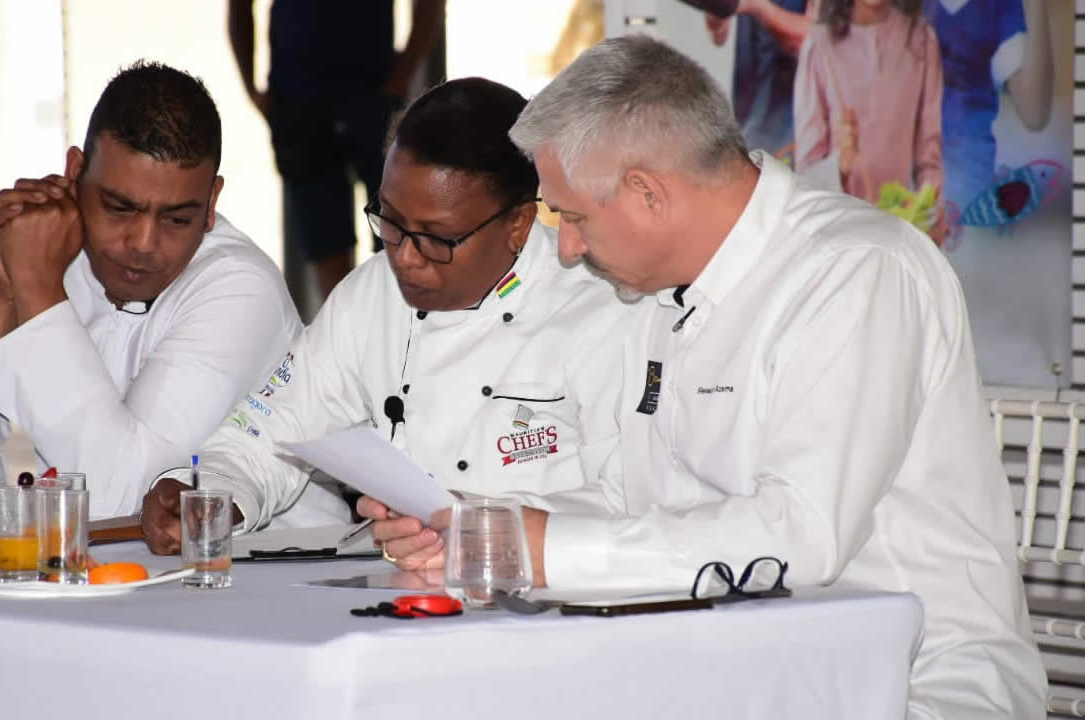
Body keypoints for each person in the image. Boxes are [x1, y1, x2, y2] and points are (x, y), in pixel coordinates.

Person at [369, 36, 1045, 718]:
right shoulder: (656, 297)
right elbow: (634, 502)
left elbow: (799, 534)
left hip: (912, 680)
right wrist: (476, 524)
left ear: (646, 192)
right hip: (739, 667)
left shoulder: (857, 271)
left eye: (571, 219)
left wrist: (544, 551)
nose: (568, 250)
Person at [138, 77, 640, 553]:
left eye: (437, 238)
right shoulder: (370, 296)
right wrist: (203, 494)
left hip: (547, 602)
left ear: (517, 224)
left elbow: (629, 498)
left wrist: (481, 526)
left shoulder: (598, 307)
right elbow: (275, 429)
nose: (405, 256)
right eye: (392, 224)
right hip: (401, 588)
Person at [0, 62, 300, 518]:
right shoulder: (33, 244)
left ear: (212, 202)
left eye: (177, 218)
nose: (143, 243)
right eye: (119, 208)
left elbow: (120, 499)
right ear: (75, 172)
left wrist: (37, 293)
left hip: (262, 579)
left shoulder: (239, 287)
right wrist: (3, 300)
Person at [229, 0, 445, 321]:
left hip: (372, 98)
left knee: (400, 235)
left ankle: (403, 344)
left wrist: (402, 75)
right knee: (325, 244)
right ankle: (350, 349)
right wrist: (252, 89)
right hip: (299, 102)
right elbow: (239, 8)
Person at [794, 0, 946, 245]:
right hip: (836, 240)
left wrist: (932, 215)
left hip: (897, 238)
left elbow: (929, 159)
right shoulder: (819, 45)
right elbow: (804, 178)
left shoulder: (921, 40)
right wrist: (839, 164)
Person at [920, 0, 1052, 212]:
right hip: (899, 188)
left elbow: (1034, 114)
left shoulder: (999, 7)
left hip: (966, 190)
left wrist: (1037, 6)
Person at [703, 0, 816, 161]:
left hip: (794, 128)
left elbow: (810, 41)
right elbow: (718, 36)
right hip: (746, 120)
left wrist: (756, 6)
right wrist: (717, 12)